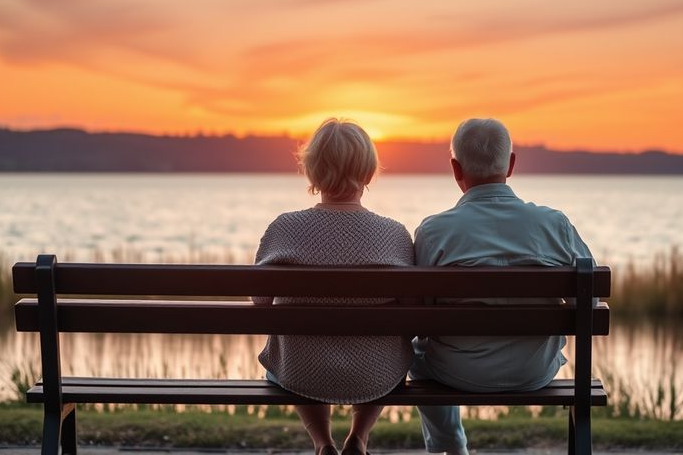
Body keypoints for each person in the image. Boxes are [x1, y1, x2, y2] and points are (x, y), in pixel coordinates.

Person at [411, 118, 594, 455]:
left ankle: (451, 446)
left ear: (456, 169)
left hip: (455, 372)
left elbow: (420, 311)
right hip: (534, 372)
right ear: (511, 164)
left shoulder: (434, 232)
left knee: (416, 352)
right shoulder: (554, 225)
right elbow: (590, 299)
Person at [252, 118, 414, 455]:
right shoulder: (395, 235)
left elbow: (260, 300)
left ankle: (322, 441)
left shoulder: (285, 229)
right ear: (369, 173)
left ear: (312, 172)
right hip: (375, 374)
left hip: (300, 372)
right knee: (389, 353)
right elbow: (413, 307)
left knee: (296, 354)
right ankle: (359, 435)